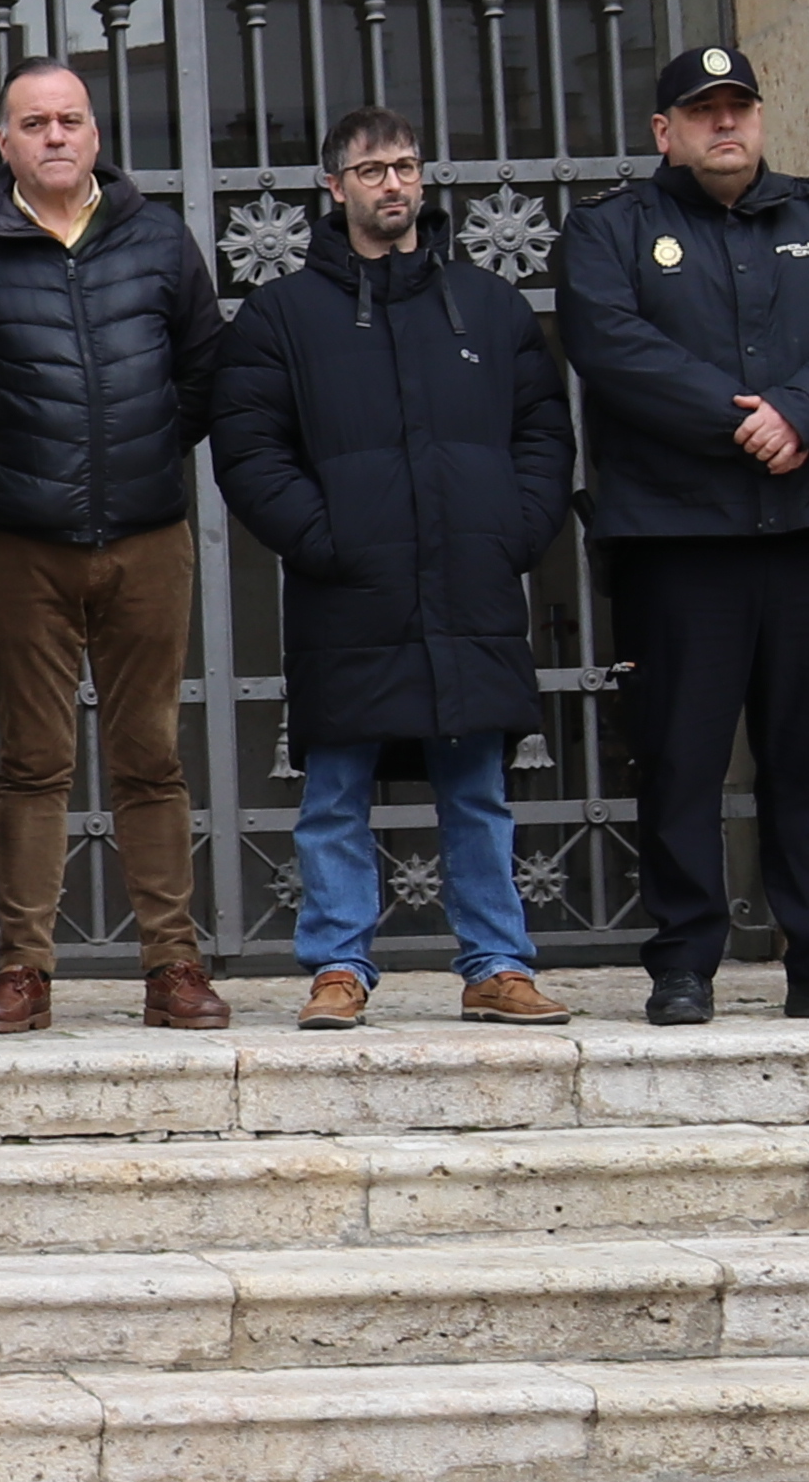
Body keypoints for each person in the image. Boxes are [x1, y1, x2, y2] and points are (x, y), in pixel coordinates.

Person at [560, 43, 809, 1025]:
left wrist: (802, 410)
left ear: (761, 118)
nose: (726, 124)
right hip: (678, 540)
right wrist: (742, 417)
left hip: (805, 531)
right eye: (702, 111)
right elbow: (612, 344)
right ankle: (684, 959)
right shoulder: (610, 231)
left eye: (740, 108)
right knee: (679, 756)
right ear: (664, 131)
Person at [209, 107, 574, 1032]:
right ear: (334, 189)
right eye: (372, 170)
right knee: (335, 790)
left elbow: (543, 432)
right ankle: (338, 964)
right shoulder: (282, 316)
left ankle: (497, 963)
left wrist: (512, 531)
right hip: (348, 593)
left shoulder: (487, 307)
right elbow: (250, 452)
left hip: (470, 586)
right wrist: (327, 540)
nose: (394, 185)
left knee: (476, 787)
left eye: (407, 166)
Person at [0, 56, 231, 1031]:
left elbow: (200, 372)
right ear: (5, 142)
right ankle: (25, 968)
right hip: (21, 538)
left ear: (96, 133)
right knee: (34, 758)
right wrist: (9, 469)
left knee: (149, 755)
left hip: (146, 532)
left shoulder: (157, 237)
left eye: (71, 119)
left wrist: (137, 456)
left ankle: (173, 964)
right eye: (35, 122)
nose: (56, 135)